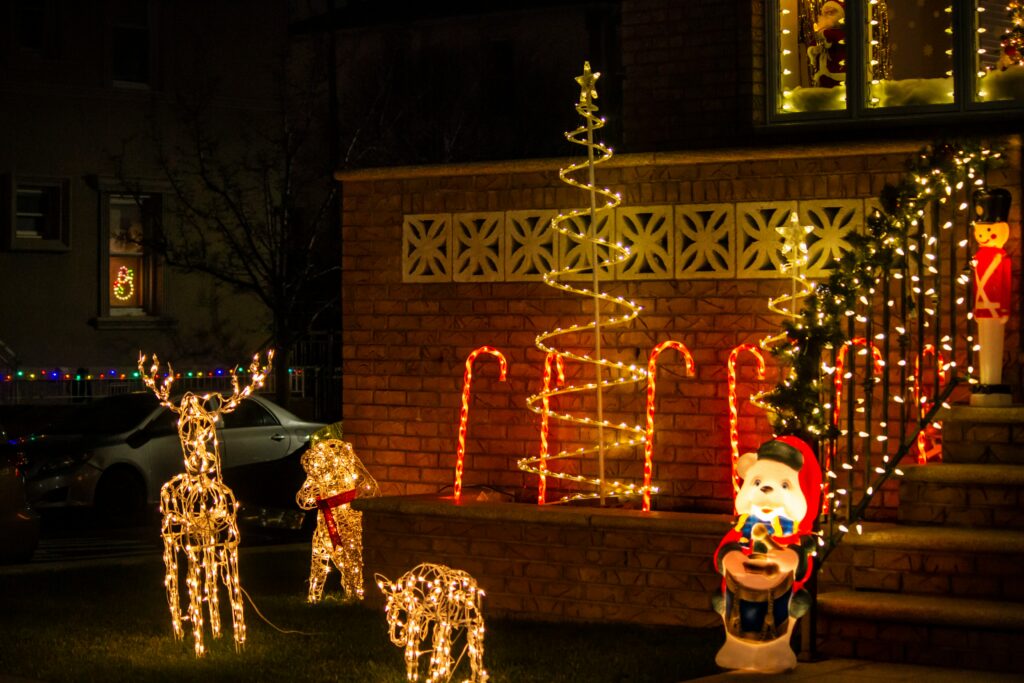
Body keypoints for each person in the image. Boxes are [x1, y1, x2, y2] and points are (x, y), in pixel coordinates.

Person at [971, 188, 1013, 405]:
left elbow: (1005, 284)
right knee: (984, 345)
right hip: (983, 307)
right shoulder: (978, 257)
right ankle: (985, 379)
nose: (984, 235)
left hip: (996, 308)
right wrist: (975, 308)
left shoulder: (1002, 259)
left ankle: (993, 380)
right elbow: (976, 285)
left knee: (994, 345)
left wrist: (1005, 309)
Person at [808, 0, 846, 87]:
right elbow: (814, 43)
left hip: (838, 70)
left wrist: (824, 34)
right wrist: (813, 50)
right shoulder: (822, 31)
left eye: (832, 12)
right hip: (823, 70)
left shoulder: (841, 31)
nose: (828, 14)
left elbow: (834, 38)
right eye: (826, 13)